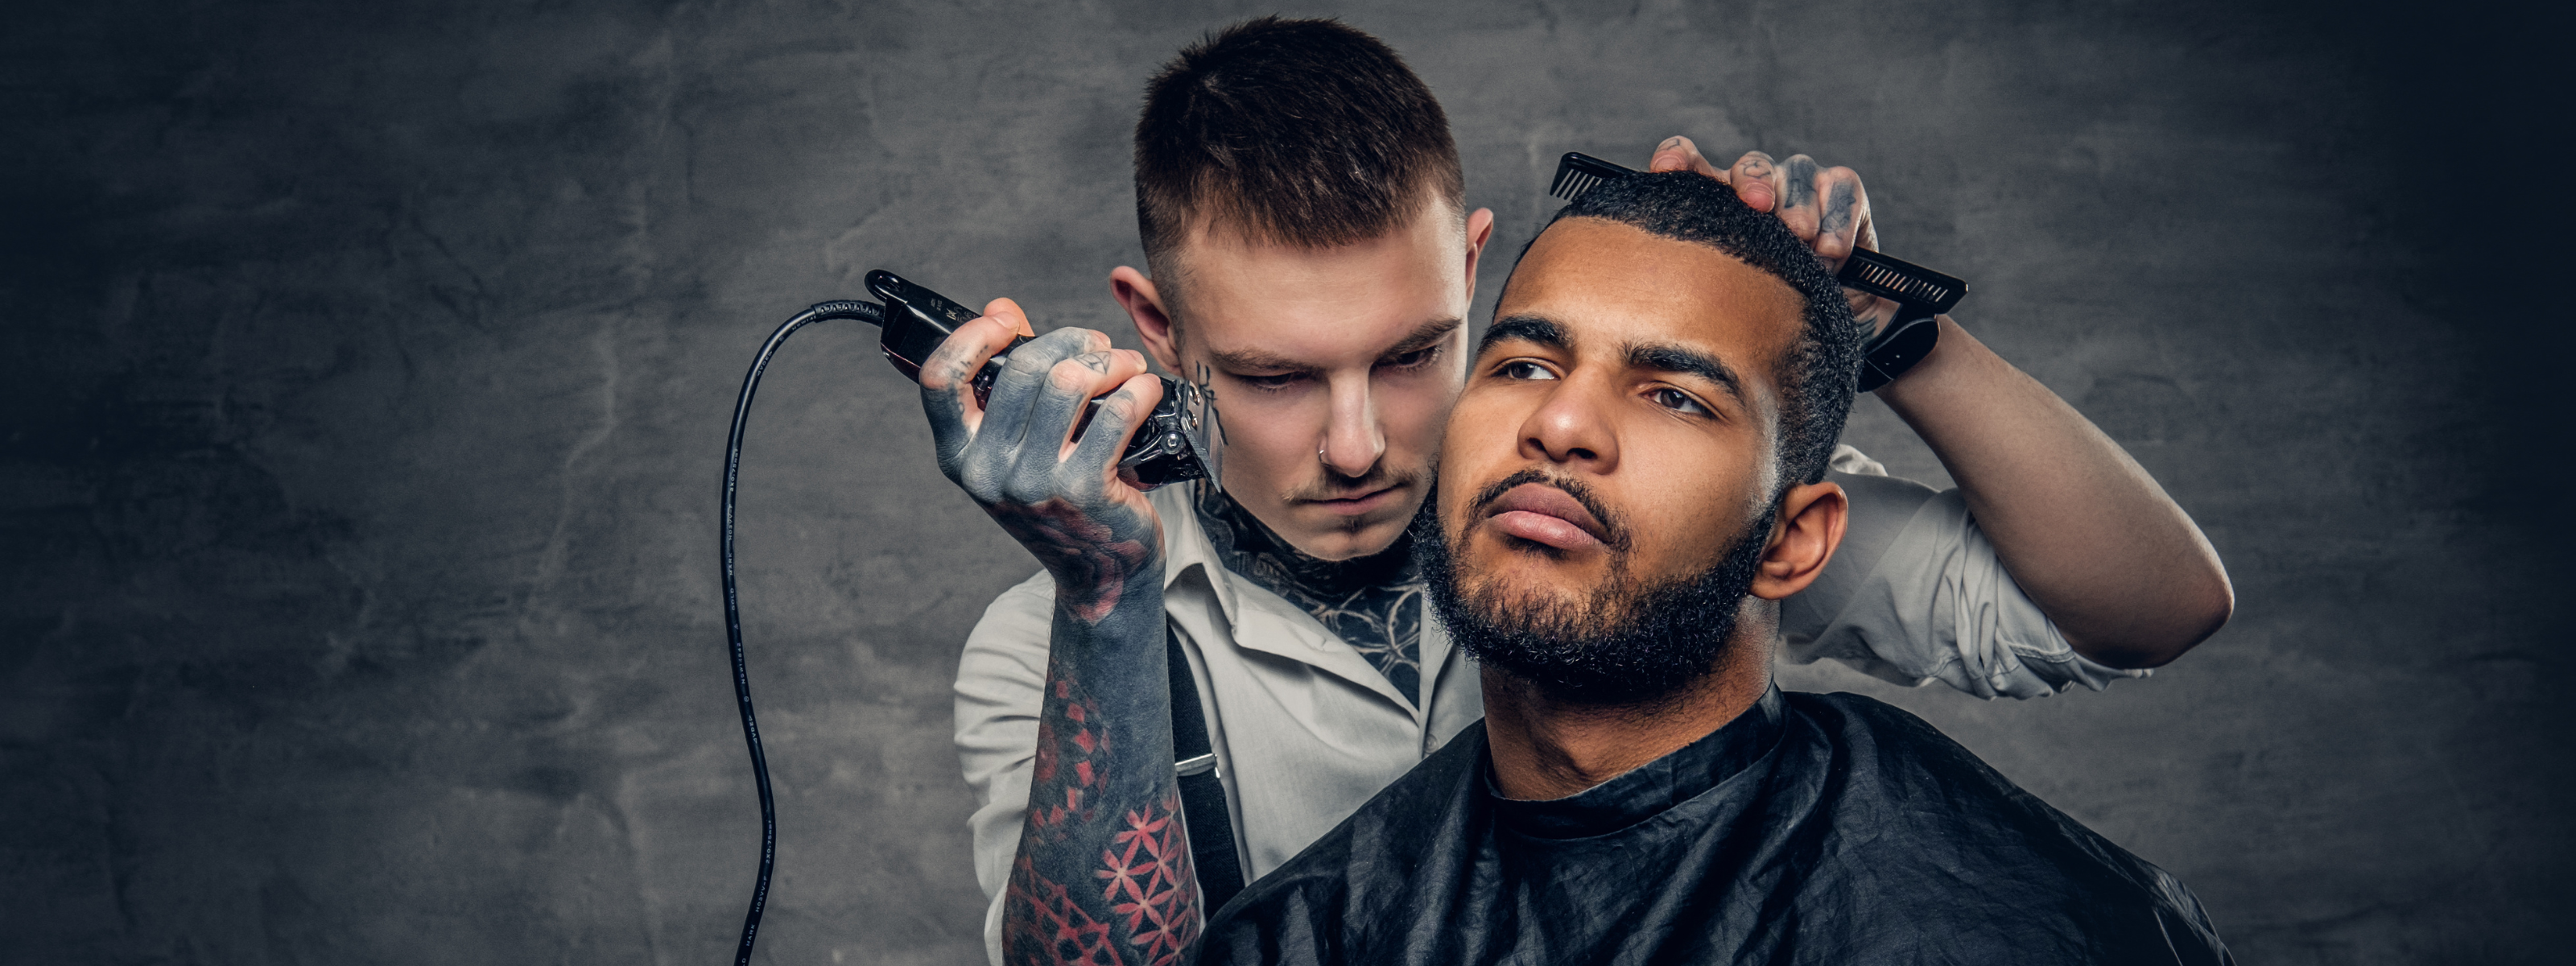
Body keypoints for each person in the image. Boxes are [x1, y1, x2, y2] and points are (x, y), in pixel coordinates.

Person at [919, 17, 2233, 964]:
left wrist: (1888, 335)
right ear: (1159, 330)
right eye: (1275, 378)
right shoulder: (1053, 648)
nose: (1360, 447)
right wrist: (1106, 603)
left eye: (1418, 355)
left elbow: (2150, 608)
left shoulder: (1631, 513)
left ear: (1471, 270)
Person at [1195, 169, 2232, 965]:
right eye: (1524, 364)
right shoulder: (1299, 934)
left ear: (1791, 541)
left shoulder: (2008, 920)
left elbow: (2158, 605)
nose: (1560, 423)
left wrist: (1893, 328)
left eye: (1676, 396)